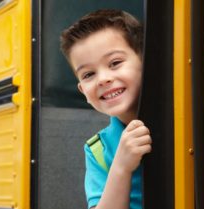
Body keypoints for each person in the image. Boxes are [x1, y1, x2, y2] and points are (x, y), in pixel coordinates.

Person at [60, 9, 152, 209]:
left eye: (115, 63)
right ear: (82, 90)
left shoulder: (183, 118)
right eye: (88, 74)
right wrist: (121, 166)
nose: (103, 79)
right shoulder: (98, 150)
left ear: (146, 62)